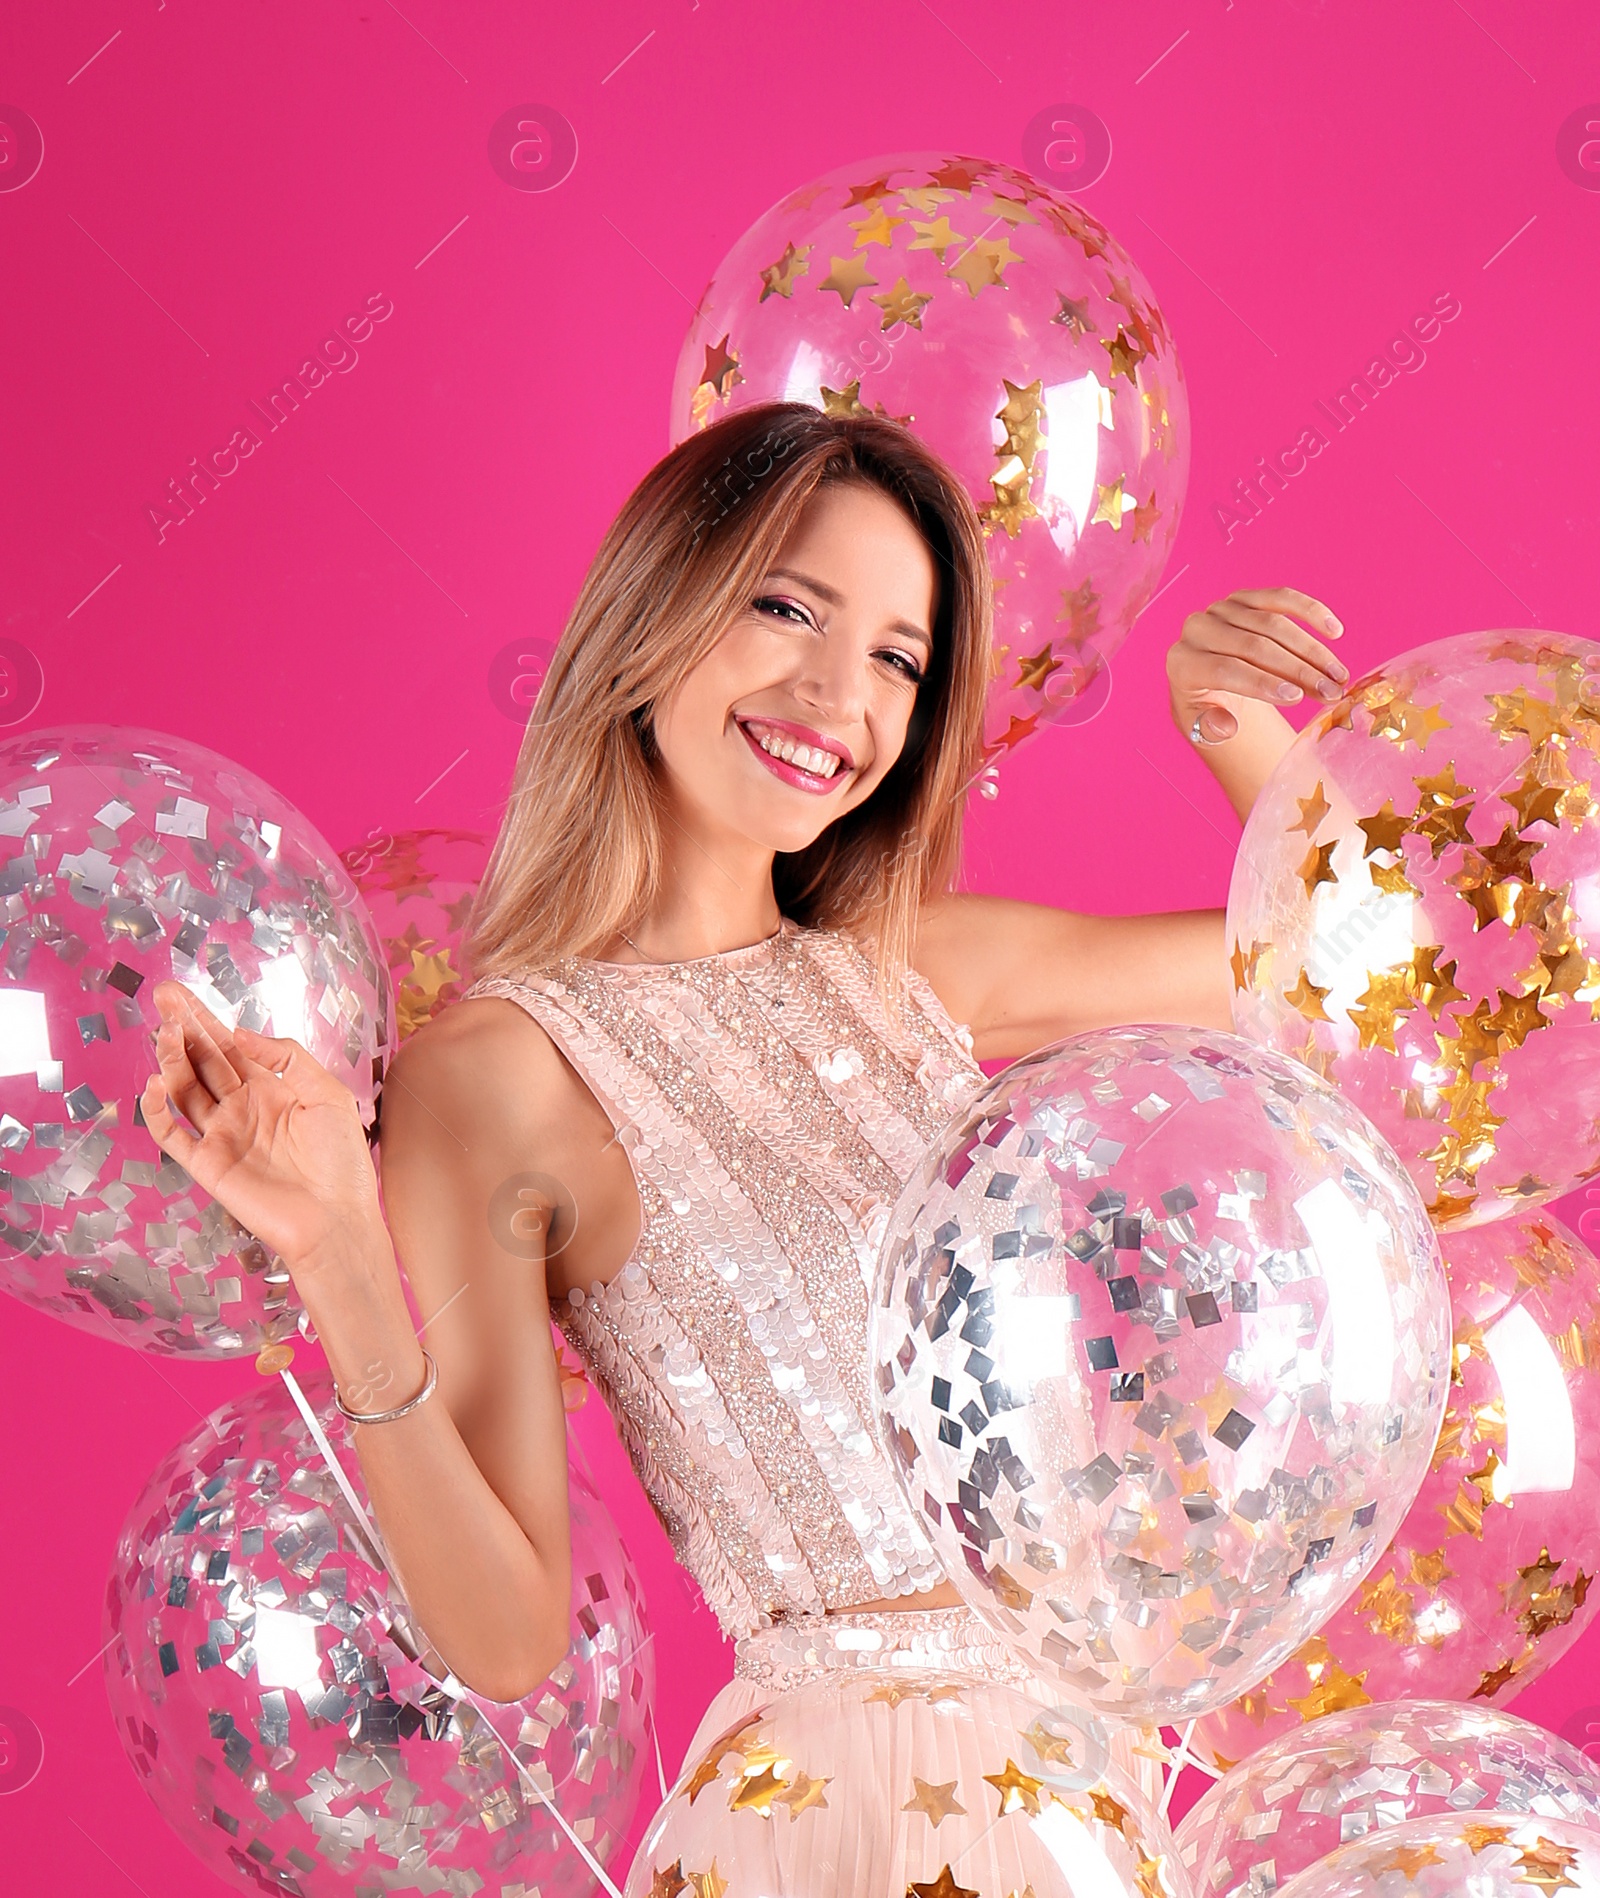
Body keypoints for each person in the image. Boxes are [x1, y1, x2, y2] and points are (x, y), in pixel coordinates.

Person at [137, 400, 1346, 1819]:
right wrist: (338, 1251)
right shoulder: (494, 1074)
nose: (842, 695)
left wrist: (1231, 724)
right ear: (658, 607)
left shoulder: (924, 976)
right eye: (788, 606)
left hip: (1100, 1783)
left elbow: (1331, 976)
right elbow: (509, 1636)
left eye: (899, 658)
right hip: (847, 1811)